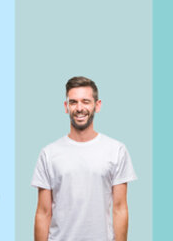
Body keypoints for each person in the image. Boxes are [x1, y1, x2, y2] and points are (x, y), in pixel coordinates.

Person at [33, 76, 136, 241]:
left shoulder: (116, 150)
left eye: (86, 101)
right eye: (73, 102)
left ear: (97, 105)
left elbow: (120, 208)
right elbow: (43, 212)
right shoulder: (49, 153)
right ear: (66, 107)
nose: (79, 108)